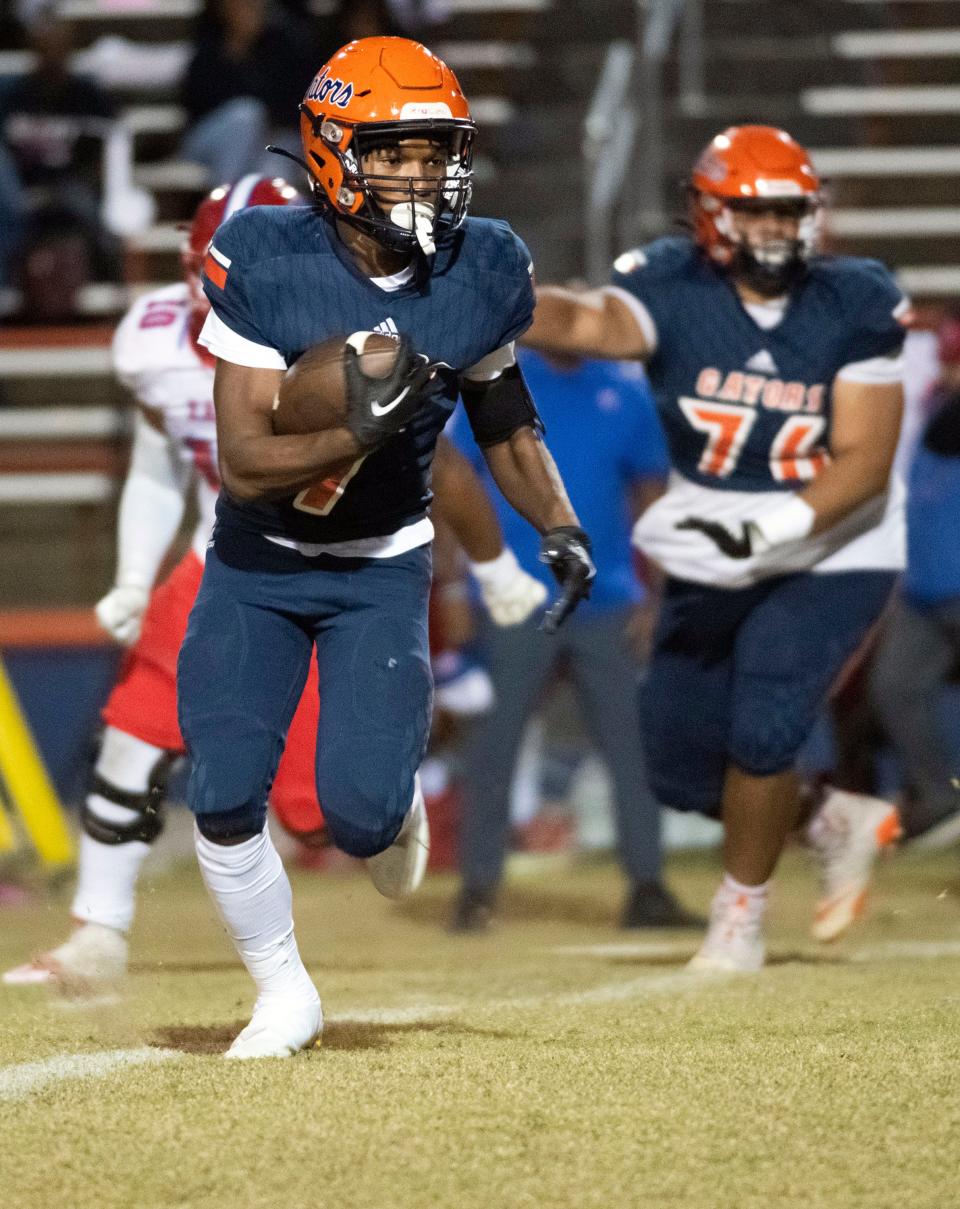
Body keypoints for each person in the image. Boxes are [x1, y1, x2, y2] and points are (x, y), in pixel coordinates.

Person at [3, 173, 546, 994]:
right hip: (222, 556)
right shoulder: (154, 338)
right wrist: (129, 575)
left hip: (341, 560)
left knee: (315, 812)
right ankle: (99, 933)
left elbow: (438, 454)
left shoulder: (336, 330)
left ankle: (387, 791)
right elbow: (160, 461)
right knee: (131, 736)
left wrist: (495, 563)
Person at [176, 36, 595, 1057]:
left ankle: (391, 792)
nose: (421, 175)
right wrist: (352, 432)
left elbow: (504, 412)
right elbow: (243, 461)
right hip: (258, 563)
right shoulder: (267, 260)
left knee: (359, 821)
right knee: (225, 790)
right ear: (330, 154)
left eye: (434, 152)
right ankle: (284, 993)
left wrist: (559, 523)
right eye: (395, 151)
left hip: (380, 564)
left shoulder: (481, 265)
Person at [525, 125, 907, 972]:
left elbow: (868, 465)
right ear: (709, 215)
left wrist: (771, 528)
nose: (775, 230)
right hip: (713, 545)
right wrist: (501, 299)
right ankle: (829, 817)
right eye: (754, 212)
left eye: (789, 212)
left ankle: (739, 921)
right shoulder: (669, 281)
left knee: (765, 717)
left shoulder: (857, 300)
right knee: (680, 770)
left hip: (832, 546)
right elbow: (588, 318)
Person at [447, 348, 703, 932]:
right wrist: (456, 588)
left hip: (606, 600)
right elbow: (455, 483)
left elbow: (651, 500)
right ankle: (477, 890)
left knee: (633, 748)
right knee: (494, 744)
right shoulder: (497, 383)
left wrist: (660, 595)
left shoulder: (626, 392)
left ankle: (647, 887)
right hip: (516, 595)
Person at [870, 314, 960, 845]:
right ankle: (939, 794)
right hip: (924, 589)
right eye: (948, 362)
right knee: (895, 687)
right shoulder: (934, 407)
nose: (950, 372)